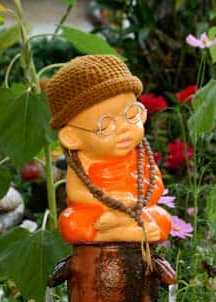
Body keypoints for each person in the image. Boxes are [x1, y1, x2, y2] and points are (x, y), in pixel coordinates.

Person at [45, 55, 171, 244]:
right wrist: (108, 200)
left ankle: (121, 224)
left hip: (136, 209)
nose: (123, 128)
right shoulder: (82, 161)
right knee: (70, 222)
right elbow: (76, 194)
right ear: (72, 137)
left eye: (131, 114)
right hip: (97, 213)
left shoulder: (140, 156)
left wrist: (133, 201)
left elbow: (156, 185)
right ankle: (114, 233)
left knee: (162, 218)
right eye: (105, 126)